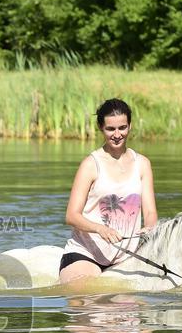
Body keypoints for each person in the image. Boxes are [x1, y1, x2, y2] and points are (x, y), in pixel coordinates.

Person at [59, 99, 158, 284]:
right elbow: (71, 216)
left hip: (126, 256)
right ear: (100, 127)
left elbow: (150, 213)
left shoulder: (143, 164)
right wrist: (100, 229)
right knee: (89, 298)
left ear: (130, 125)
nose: (117, 134)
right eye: (111, 129)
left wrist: (149, 229)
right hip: (87, 254)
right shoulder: (90, 165)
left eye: (123, 127)